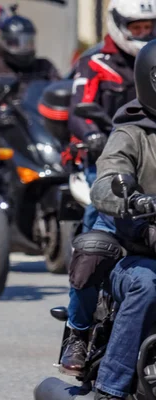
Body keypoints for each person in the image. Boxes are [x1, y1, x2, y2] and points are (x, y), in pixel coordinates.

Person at [59, 0, 156, 376]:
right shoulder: (95, 62)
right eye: (138, 27)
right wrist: (97, 140)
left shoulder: (149, 56)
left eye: (150, 27)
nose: (144, 33)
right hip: (113, 167)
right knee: (92, 244)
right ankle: (77, 331)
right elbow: (78, 108)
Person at [0, 8, 60, 100]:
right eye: (16, 43)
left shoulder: (45, 66)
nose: (23, 48)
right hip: (4, 113)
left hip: (38, 113)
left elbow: (60, 88)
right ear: (3, 42)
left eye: (28, 42)